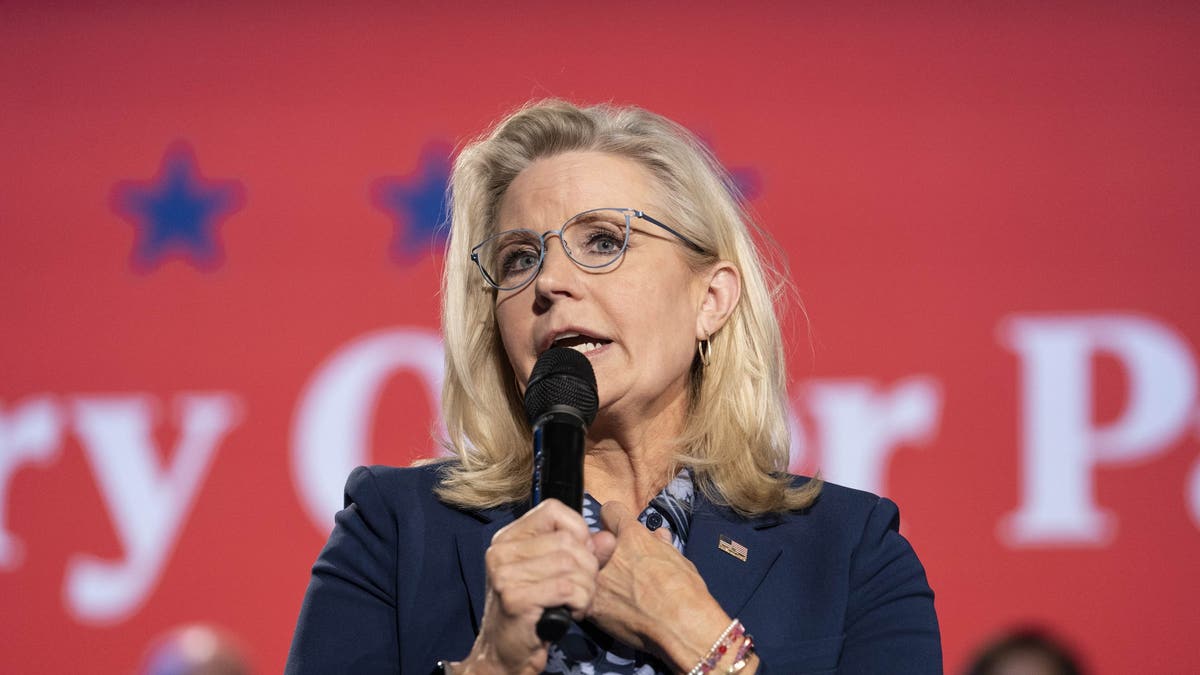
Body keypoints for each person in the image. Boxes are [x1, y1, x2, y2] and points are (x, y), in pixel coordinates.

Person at [285, 100, 940, 674]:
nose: (550, 283)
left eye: (602, 240)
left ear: (710, 299)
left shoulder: (850, 553)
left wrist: (703, 640)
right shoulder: (395, 531)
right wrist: (494, 664)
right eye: (519, 257)